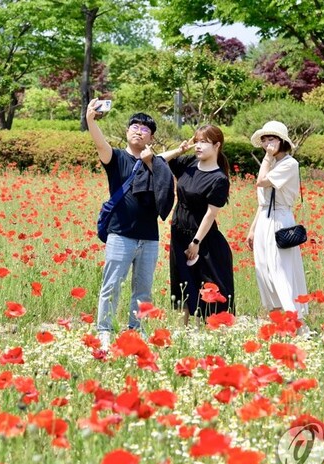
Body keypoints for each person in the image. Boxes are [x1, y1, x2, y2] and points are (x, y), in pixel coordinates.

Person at [86, 99, 174, 351]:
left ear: (152, 138)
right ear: (127, 132)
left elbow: (162, 162)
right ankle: (104, 330)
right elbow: (99, 143)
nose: (138, 130)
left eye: (145, 129)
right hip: (120, 234)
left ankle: (137, 329)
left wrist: (178, 151)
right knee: (111, 284)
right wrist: (90, 120)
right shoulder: (116, 158)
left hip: (149, 237)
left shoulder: (154, 163)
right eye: (134, 126)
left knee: (143, 289)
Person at [161, 125, 234, 323]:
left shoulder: (219, 179)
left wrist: (196, 241)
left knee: (207, 286)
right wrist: (180, 150)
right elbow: (158, 159)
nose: (198, 146)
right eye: (196, 141)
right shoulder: (189, 163)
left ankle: (212, 330)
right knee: (182, 283)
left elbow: (210, 214)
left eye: (203, 142)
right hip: (179, 233)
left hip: (203, 239)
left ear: (217, 145)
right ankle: (182, 333)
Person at [246, 121, 309, 327]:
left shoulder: (289, 164)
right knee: (263, 269)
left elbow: (261, 182)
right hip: (265, 219)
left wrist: (266, 158)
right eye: (264, 140)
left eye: (271, 139)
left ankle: (294, 320)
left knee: (280, 269)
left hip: (280, 220)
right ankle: (277, 319)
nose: (266, 144)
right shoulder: (271, 163)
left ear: (282, 141)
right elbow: (263, 202)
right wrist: (253, 228)